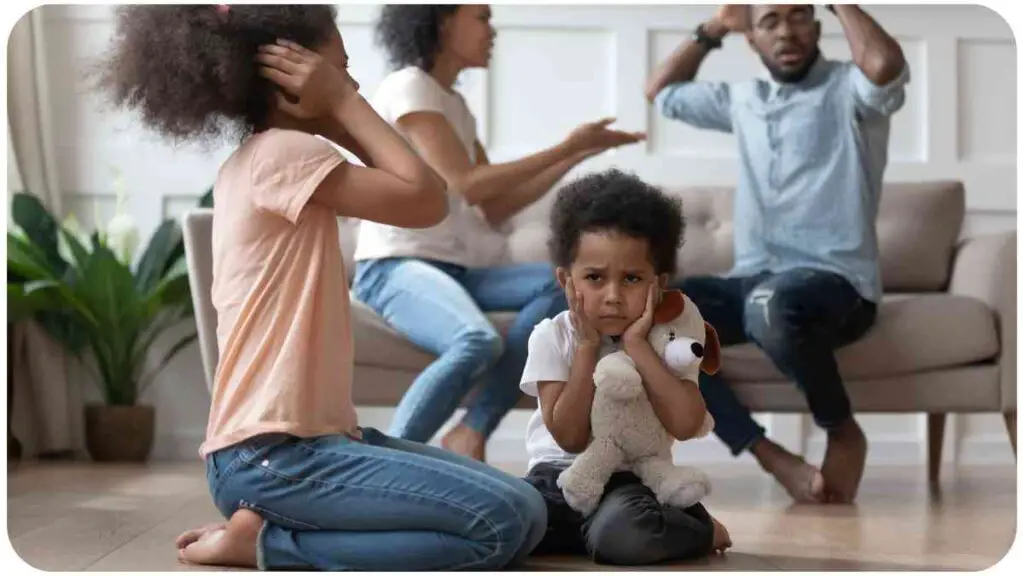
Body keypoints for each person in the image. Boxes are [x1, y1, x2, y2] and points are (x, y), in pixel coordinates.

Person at [98, 5, 547, 570]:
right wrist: (343, 105)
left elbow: (419, 192)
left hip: (302, 449)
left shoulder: (265, 158)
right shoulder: (286, 154)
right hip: (277, 456)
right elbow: (427, 200)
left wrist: (335, 106)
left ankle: (272, 524)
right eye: (339, 70)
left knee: (527, 507)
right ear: (287, 80)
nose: (351, 83)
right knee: (497, 527)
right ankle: (269, 544)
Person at [353, 4, 646, 461]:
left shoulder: (453, 104)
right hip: (394, 264)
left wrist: (577, 154)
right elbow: (464, 181)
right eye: (482, 18)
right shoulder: (410, 86)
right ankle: (377, 460)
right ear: (443, 21)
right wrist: (566, 144)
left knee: (568, 289)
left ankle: (471, 429)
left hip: (458, 269)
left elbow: (494, 204)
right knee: (475, 340)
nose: (492, 31)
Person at [646, 3, 909, 504]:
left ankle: (841, 428)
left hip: (837, 284)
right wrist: (718, 25)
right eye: (769, 21)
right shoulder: (744, 98)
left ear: (817, 24)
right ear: (753, 39)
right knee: (648, 317)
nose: (786, 31)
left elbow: (883, 67)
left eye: (798, 16)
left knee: (768, 304)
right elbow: (660, 92)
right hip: (754, 279)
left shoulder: (852, 89)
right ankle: (769, 454)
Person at [520, 169, 732, 565]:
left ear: (658, 283)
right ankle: (588, 534)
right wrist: (586, 347)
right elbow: (567, 437)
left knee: (627, 533)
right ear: (567, 280)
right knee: (502, 518)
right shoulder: (552, 336)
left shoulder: (668, 342)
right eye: (595, 278)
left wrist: (637, 346)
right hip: (555, 479)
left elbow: (687, 425)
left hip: (629, 482)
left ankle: (698, 530)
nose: (613, 296)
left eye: (632, 278)